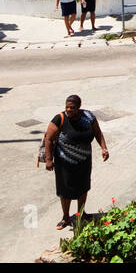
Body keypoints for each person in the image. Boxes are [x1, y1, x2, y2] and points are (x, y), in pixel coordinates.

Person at [43, 94, 109, 230]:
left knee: (83, 187)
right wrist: (49, 160)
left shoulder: (89, 117)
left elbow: (97, 132)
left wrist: (103, 148)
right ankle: (65, 217)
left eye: (72, 108)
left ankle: (81, 213)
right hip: (64, 163)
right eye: (67, 107)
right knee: (65, 190)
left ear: (79, 108)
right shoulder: (60, 119)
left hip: (84, 161)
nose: (68, 110)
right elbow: (48, 139)